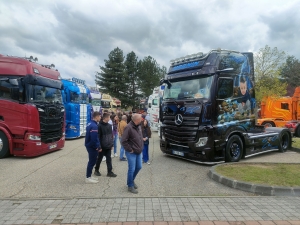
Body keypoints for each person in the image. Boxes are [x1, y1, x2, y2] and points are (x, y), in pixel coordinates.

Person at [121, 114, 143, 194]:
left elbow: (140, 137)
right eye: (140, 119)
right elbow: (123, 141)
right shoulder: (128, 127)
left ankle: (131, 180)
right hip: (132, 152)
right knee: (132, 169)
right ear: (137, 120)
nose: (142, 120)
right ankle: (130, 185)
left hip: (139, 151)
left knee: (139, 167)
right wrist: (130, 149)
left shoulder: (139, 126)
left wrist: (141, 146)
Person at [94, 113, 117, 177]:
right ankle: (96, 170)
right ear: (105, 118)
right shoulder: (99, 126)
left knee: (109, 159)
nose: (109, 118)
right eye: (109, 117)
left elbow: (111, 136)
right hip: (102, 146)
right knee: (99, 159)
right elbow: (98, 137)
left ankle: (109, 172)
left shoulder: (109, 126)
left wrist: (112, 144)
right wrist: (99, 146)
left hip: (108, 145)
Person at [85, 111, 101, 184]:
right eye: (99, 116)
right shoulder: (94, 126)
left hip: (89, 145)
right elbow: (94, 139)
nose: (100, 118)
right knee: (92, 162)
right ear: (96, 116)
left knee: (92, 161)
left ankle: (89, 175)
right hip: (92, 147)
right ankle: (88, 177)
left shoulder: (90, 123)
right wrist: (96, 147)